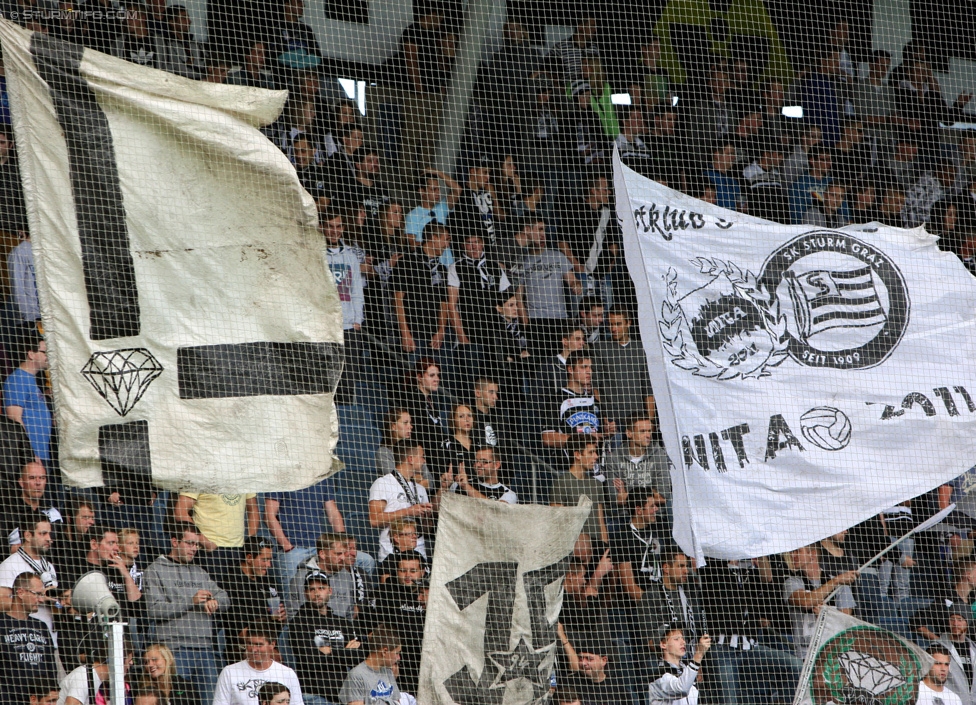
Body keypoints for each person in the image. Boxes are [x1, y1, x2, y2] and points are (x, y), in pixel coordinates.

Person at [143, 520, 229, 705]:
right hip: (174, 650)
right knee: (176, 702)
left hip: (205, 649)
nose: (194, 548)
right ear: (175, 542)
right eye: (189, 543)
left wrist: (215, 602)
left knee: (211, 702)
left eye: (196, 544)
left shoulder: (200, 572)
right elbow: (154, 609)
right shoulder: (154, 571)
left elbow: (225, 597)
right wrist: (190, 602)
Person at [291, 571, 363, 705]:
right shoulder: (299, 622)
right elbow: (310, 659)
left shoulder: (342, 622)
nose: (317, 593)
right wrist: (344, 651)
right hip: (314, 694)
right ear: (306, 593)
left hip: (343, 694)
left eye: (321, 588)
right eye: (312, 589)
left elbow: (358, 657)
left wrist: (331, 651)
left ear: (330, 591)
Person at [265, 476, 346, 590]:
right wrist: (287, 547)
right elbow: (269, 516)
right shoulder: (280, 477)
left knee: (321, 595)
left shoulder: (322, 477)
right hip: (293, 549)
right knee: (294, 596)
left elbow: (333, 513)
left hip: (318, 550)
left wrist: (343, 544)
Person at [518, 219, 582, 357]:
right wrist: (526, 323)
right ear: (528, 231)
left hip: (560, 319)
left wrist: (576, 286)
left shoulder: (557, 256)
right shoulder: (522, 260)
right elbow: (519, 297)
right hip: (536, 320)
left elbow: (573, 280)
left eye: (544, 230)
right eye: (539, 229)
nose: (543, 234)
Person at [783, 543, 859, 659]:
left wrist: (826, 617)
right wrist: (835, 581)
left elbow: (846, 623)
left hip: (833, 653)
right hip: (804, 654)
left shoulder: (841, 585)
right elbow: (805, 602)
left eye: (798, 551)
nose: (793, 556)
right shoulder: (792, 582)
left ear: (812, 554)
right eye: (792, 552)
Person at [173, 492, 259, 586]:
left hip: (238, 550)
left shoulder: (244, 477)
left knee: (235, 597)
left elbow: (253, 509)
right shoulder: (198, 476)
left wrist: (248, 541)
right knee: (211, 595)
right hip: (209, 551)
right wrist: (205, 542)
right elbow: (180, 511)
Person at [368, 441, 433, 561]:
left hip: (419, 556)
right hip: (391, 555)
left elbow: (426, 529)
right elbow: (374, 520)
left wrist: (426, 518)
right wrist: (409, 511)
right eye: (422, 457)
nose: (424, 461)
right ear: (410, 459)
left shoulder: (421, 489)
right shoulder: (383, 483)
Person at [392, 225, 451, 355]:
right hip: (413, 335)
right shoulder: (407, 262)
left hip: (436, 338)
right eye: (446, 239)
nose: (447, 245)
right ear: (434, 238)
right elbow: (398, 300)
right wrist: (405, 333)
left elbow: (444, 303)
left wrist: (441, 331)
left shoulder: (441, 268)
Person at [374, 552, 426, 693]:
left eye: (413, 571)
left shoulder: (430, 593)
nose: (408, 575)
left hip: (423, 657)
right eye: (403, 571)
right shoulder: (386, 592)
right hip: (395, 658)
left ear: (422, 571)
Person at [0, 572, 56, 703]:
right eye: (37, 594)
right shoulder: (1, 624)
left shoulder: (41, 626)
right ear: (20, 592)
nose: (41, 600)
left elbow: (51, 667)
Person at [593, 308, 654, 427]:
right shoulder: (600, 348)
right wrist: (603, 415)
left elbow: (648, 388)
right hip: (612, 420)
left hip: (638, 419)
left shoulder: (641, 349)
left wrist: (650, 421)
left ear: (628, 323)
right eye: (610, 324)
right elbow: (595, 386)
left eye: (618, 324)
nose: (613, 329)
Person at [213, 627, 304, 705]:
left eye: (259, 644)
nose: (253, 649)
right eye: (249, 644)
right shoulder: (229, 672)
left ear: (272, 645)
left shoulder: (287, 673)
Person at [541, 352, 610, 452]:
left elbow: (599, 434)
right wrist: (582, 440)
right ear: (570, 369)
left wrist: (607, 431)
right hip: (567, 464)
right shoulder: (557, 400)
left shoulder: (594, 402)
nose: (589, 372)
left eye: (590, 367)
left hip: (595, 464)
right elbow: (547, 438)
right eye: (583, 367)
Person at [0, 515, 58, 635]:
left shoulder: (49, 566)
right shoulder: (10, 564)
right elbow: (1, 601)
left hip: (50, 636)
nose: (49, 538)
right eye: (43, 533)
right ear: (28, 536)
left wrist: (59, 600)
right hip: (21, 633)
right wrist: (33, 597)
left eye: (49, 534)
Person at [222, 536, 285, 643]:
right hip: (243, 648)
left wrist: (282, 618)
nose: (269, 565)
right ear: (249, 558)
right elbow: (239, 631)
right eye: (264, 560)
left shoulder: (270, 581)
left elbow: (277, 624)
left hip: (270, 644)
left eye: (270, 560)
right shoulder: (231, 583)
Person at [3, 330, 52, 464]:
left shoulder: (30, 380)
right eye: (44, 352)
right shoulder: (17, 380)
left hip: (41, 453)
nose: (48, 356)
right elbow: (14, 418)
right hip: (32, 457)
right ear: (31, 354)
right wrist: (30, 454)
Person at [639, 548, 705, 646]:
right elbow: (649, 641)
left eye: (686, 566)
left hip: (692, 652)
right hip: (664, 656)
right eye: (681, 566)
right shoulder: (651, 595)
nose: (686, 571)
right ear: (666, 568)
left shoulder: (691, 593)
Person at [550, 435, 608, 544]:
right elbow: (557, 521)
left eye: (595, 452)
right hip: (573, 547)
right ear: (577, 455)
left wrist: (605, 546)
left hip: (597, 547)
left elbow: (601, 521)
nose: (596, 456)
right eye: (591, 452)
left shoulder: (596, 484)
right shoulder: (561, 483)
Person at [286, 533, 356, 621]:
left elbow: (349, 613)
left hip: (340, 631)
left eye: (344, 554)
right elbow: (292, 615)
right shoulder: (301, 577)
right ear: (322, 554)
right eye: (338, 554)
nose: (342, 558)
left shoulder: (346, 575)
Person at [612, 488, 665, 603]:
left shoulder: (661, 526)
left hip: (665, 597)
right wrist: (653, 604)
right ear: (639, 510)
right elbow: (630, 586)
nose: (656, 509)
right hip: (640, 605)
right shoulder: (622, 537)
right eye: (651, 506)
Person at [2, 460, 62, 548]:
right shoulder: (7, 512)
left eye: (42, 478)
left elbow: (62, 549)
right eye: (32, 478)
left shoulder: (54, 514)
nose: (38, 483)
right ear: (21, 482)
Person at [338, 624, 402, 705]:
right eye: (396, 653)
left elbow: (398, 702)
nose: (398, 657)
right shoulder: (357, 675)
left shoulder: (388, 673)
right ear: (384, 652)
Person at [647, 628, 711, 705]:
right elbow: (681, 689)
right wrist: (699, 654)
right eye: (676, 639)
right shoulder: (659, 675)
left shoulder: (688, 669)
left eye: (683, 638)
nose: (683, 642)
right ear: (663, 644)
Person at [560, 638, 633, 704]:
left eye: (589, 659)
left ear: (603, 661)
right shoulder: (568, 684)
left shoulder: (618, 690)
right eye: (580, 658)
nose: (583, 663)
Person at [59, 643, 134, 705]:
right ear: (117, 660)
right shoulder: (83, 676)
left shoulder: (101, 680)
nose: (131, 663)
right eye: (129, 660)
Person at [374, 409, 432, 485]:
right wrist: (416, 479)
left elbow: (430, 482)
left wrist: (410, 480)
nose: (410, 426)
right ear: (393, 426)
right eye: (405, 423)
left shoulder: (415, 449)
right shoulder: (384, 452)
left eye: (410, 423)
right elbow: (396, 479)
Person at [935, 607, 976, 705]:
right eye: (952, 619)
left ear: (967, 622)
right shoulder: (937, 648)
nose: (955, 624)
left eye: (960, 620)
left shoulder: (974, 649)